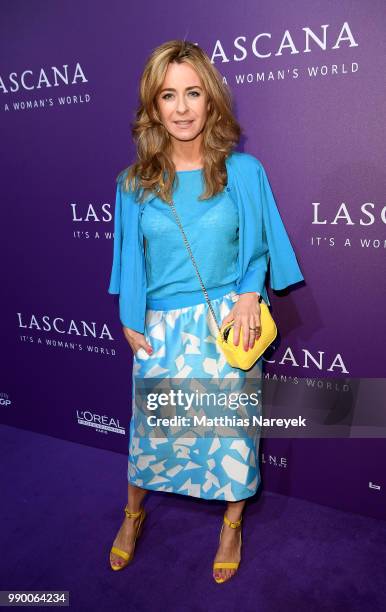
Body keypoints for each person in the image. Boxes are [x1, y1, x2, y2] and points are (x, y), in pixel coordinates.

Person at [107, 39, 304, 583]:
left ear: (211, 100)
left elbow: (259, 247)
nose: (182, 107)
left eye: (193, 92)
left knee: (232, 434)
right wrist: (129, 317)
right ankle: (132, 515)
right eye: (168, 95)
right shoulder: (133, 183)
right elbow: (129, 257)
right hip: (161, 328)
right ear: (153, 107)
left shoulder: (243, 172)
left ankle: (231, 524)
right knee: (152, 431)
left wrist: (248, 293)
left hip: (228, 324)